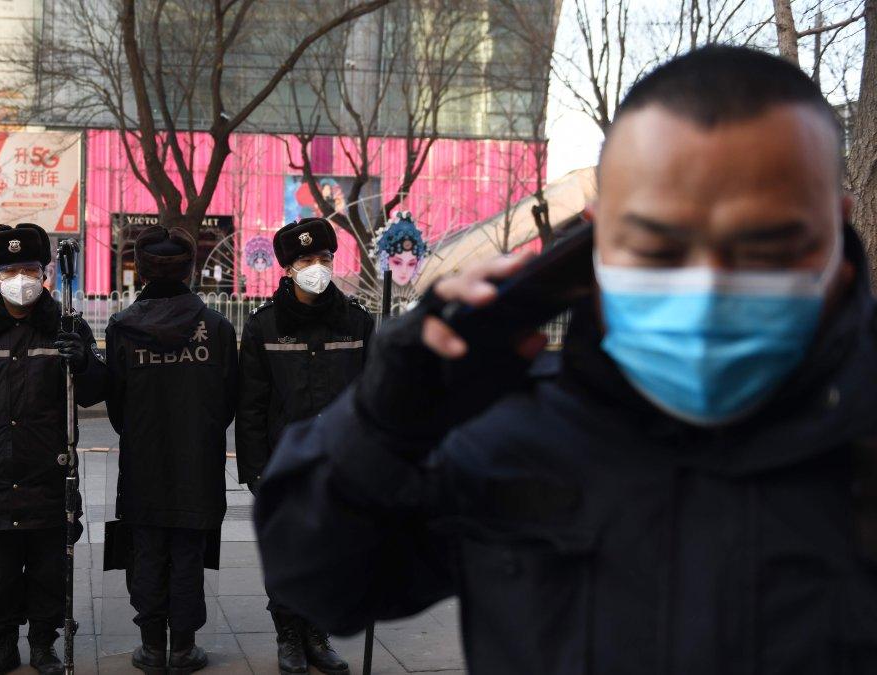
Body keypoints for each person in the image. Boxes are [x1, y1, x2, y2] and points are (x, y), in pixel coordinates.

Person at [254, 45, 877, 673]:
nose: (708, 285)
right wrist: (386, 417)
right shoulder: (516, 433)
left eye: (764, 243)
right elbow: (318, 579)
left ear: (836, 226)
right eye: (659, 244)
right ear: (596, 236)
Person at [0, 223, 106, 675]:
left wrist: (84, 360)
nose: (22, 278)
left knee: (51, 570)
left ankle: (43, 645)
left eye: (31, 268)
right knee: (0, 573)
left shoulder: (69, 327)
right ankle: (2, 645)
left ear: (46, 272)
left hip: (49, 475)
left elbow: (94, 393)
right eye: (11, 269)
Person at [236, 217, 373, 675]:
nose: (316, 267)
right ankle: (289, 634)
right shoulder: (264, 327)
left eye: (323, 259)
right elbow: (251, 406)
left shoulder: (356, 322)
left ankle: (318, 633)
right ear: (288, 268)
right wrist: (255, 470)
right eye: (305, 260)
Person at [105, 226, 238, 674]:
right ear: (189, 269)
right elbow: (227, 401)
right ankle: (183, 648)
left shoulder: (122, 327)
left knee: (147, 552)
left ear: (141, 269)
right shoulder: (217, 328)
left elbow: (116, 407)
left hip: (142, 463)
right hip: (196, 463)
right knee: (188, 554)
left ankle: (151, 647)